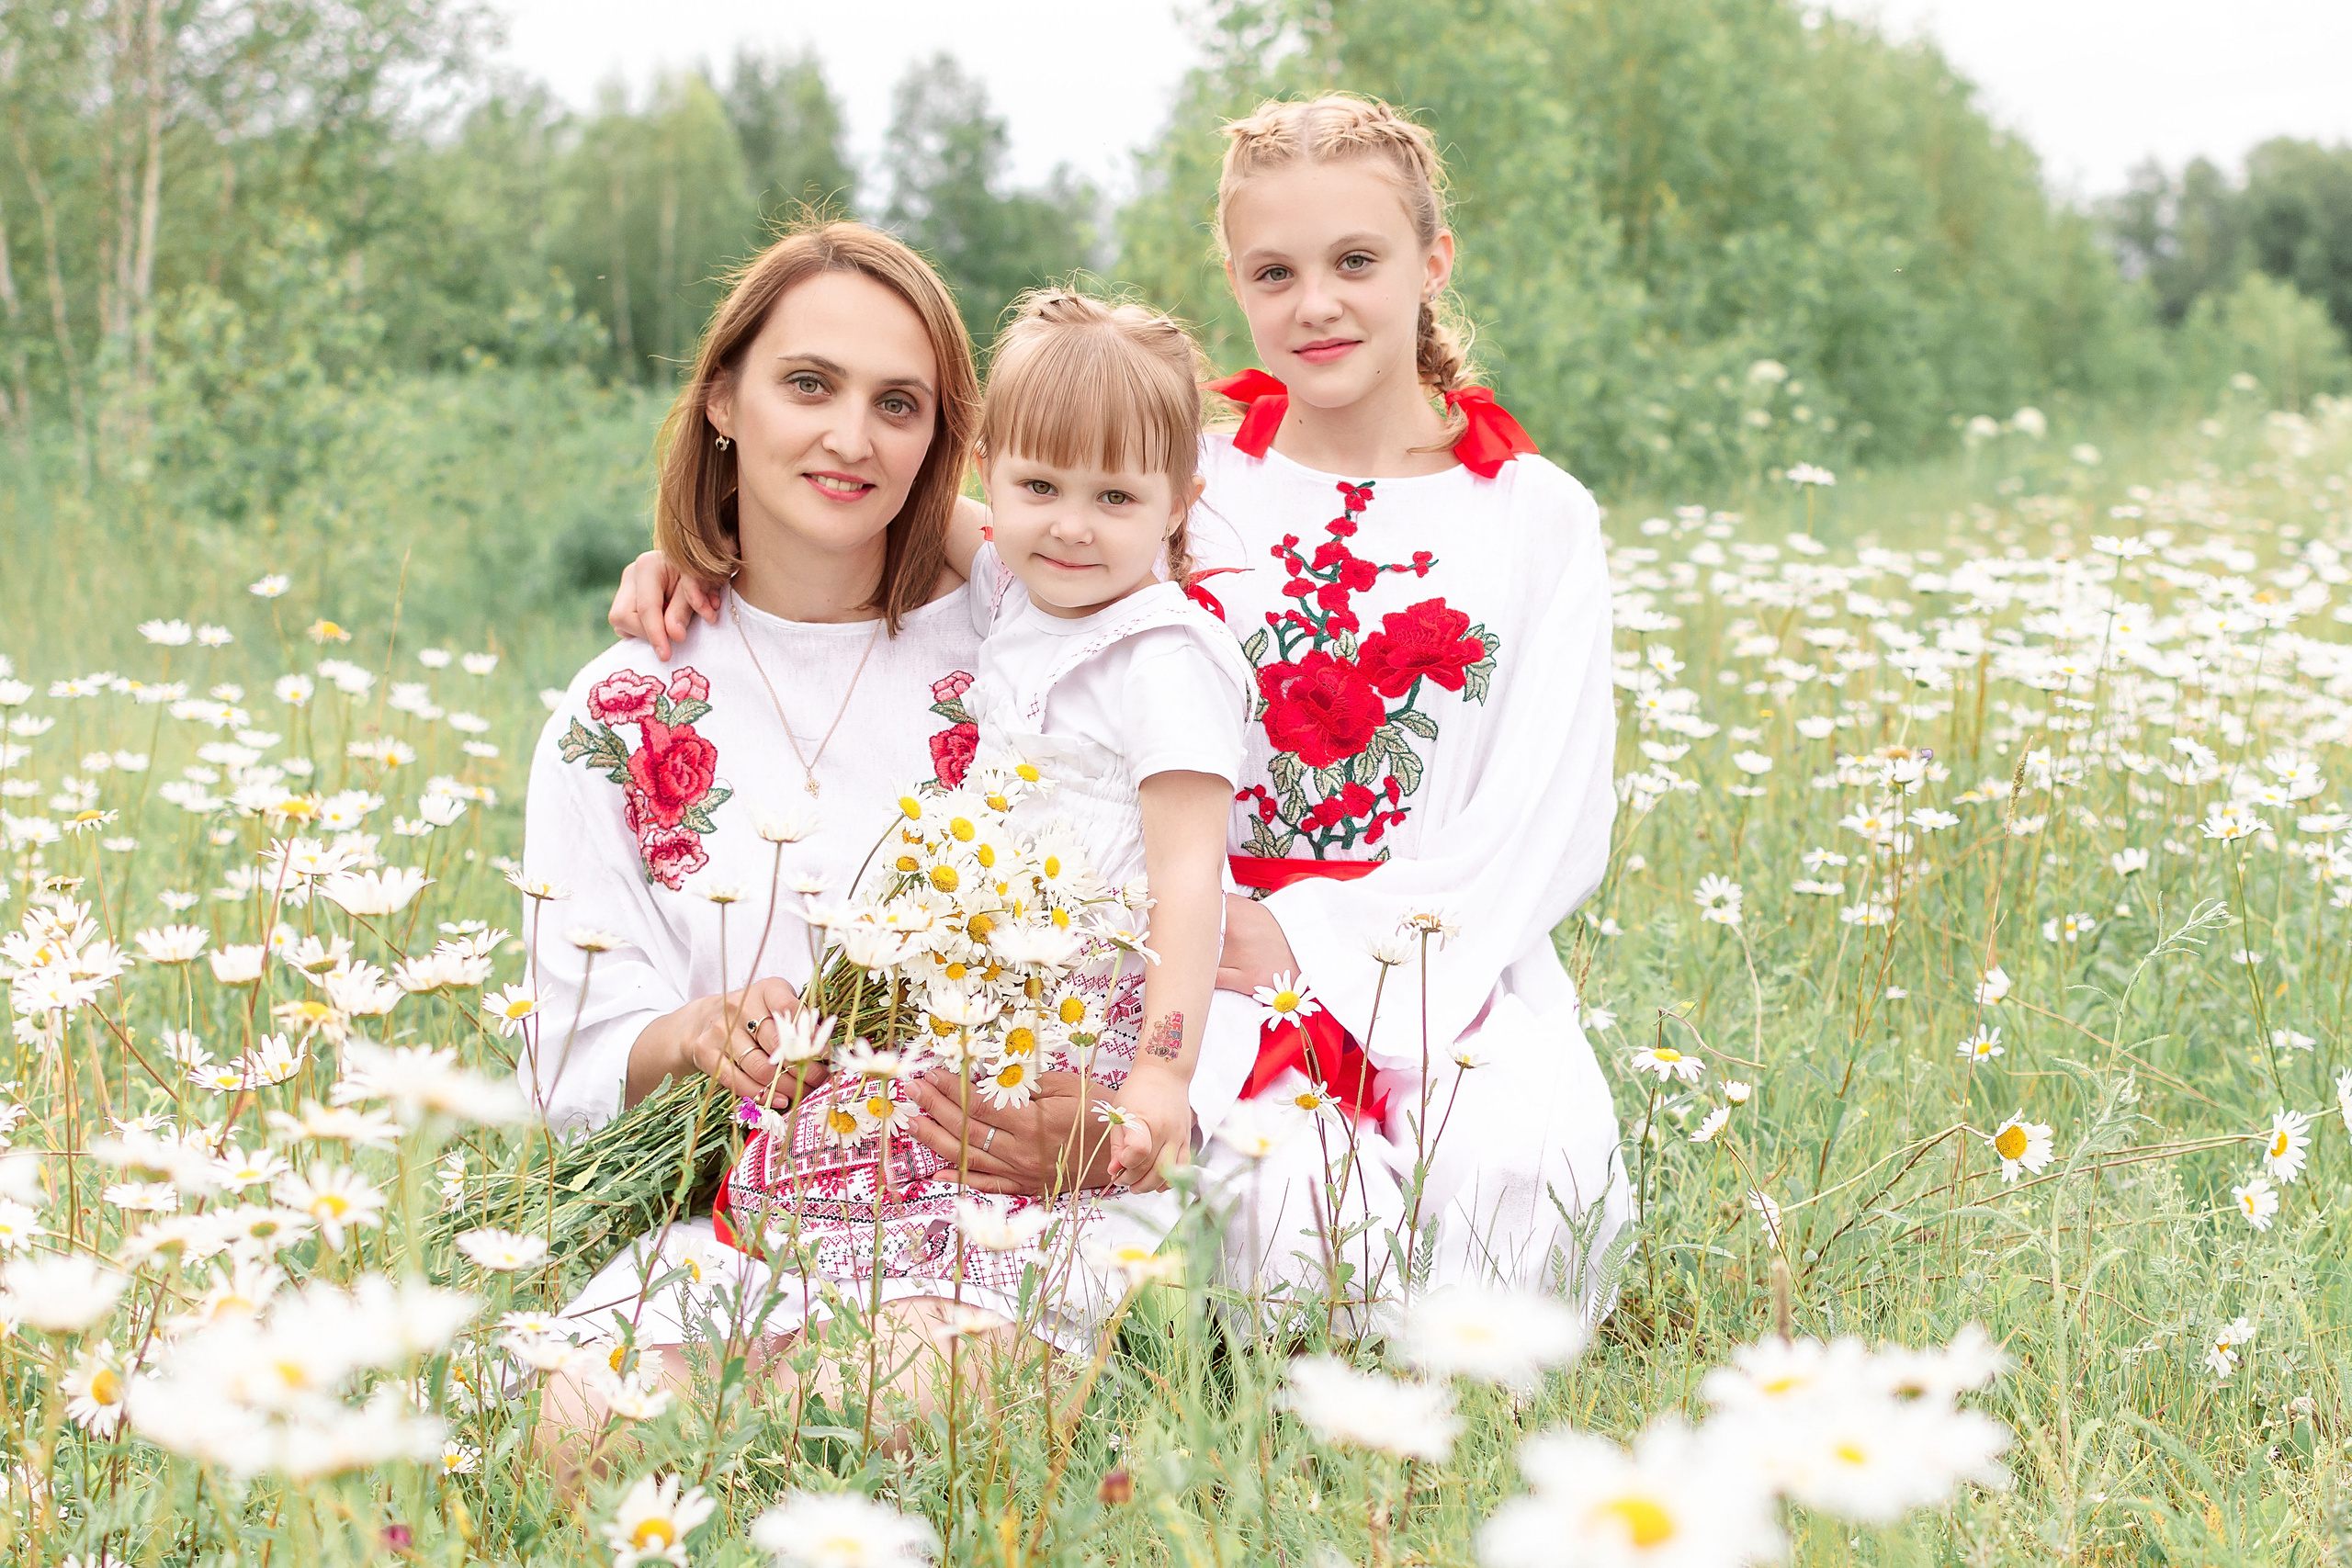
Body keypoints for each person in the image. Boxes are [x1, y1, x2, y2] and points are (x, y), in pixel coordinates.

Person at [609, 95, 1630, 1323]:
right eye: (1275, 271)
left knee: (1515, 1180)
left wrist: (1319, 939)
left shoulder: (1533, 516)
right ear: (1235, 281)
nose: (1316, 303)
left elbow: (1546, 812)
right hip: (1172, 949)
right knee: (1250, 1205)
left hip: (1422, 952)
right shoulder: (1178, 469)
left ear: (1434, 260)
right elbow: (979, 536)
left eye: (1357, 261)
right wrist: (702, 556)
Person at [718, 288, 1250, 1337]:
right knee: (821, 1157)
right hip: (986, 986)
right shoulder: (1017, 587)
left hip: (1089, 1011)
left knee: (989, 1166)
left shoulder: (1164, 657)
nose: (1071, 526)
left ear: (1181, 500)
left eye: (1115, 497)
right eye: (1039, 485)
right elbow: (909, 515)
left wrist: (1162, 1071)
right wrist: (691, 559)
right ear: (989, 471)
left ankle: (1006, 1309)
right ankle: (889, 1302)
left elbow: (1191, 876)